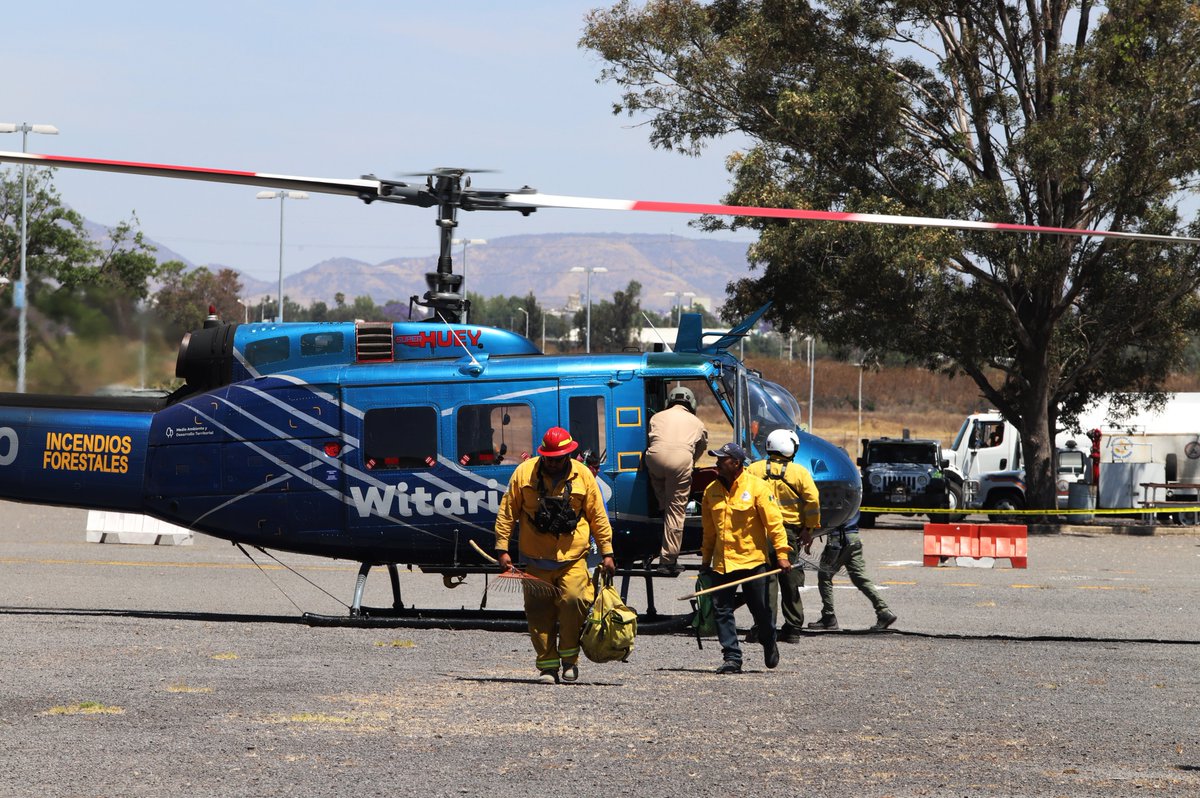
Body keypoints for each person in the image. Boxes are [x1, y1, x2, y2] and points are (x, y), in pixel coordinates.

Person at [494, 426, 617, 684]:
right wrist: (502, 548)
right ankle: (548, 666)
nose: (553, 463)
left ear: (568, 455)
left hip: (573, 559)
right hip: (535, 560)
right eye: (549, 458)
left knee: (574, 602)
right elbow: (507, 512)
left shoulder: (583, 475)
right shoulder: (523, 474)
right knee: (539, 614)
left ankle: (569, 661)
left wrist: (607, 552)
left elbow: (598, 517)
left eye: (558, 458)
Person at [701, 441, 792, 674]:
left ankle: (769, 640)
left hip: (753, 562)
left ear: (736, 463)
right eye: (717, 458)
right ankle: (732, 657)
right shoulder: (711, 491)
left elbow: (775, 525)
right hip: (723, 563)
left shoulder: (758, 488)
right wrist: (705, 562)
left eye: (722, 459)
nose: (717, 463)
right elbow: (709, 531)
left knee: (761, 611)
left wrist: (782, 554)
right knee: (722, 610)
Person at [745, 429, 820, 644]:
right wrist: (809, 529)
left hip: (761, 533)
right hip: (788, 534)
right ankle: (793, 629)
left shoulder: (753, 469)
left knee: (766, 580)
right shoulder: (799, 472)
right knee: (790, 580)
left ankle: (764, 626)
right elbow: (812, 501)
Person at [645, 385, 708, 575]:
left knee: (663, 501)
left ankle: (662, 507)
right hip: (680, 460)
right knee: (675, 511)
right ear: (691, 403)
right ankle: (668, 560)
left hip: (654, 458)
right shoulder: (696, 422)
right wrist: (690, 462)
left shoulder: (656, 417)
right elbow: (701, 447)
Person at [807, 511, 897, 632]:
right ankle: (883, 611)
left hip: (838, 540)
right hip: (854, 538)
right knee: (860, 578)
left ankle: (829, 616)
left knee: (825, 576)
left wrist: (810, 533)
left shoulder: (835, 492)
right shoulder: (854, 492)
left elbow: (827, 514)